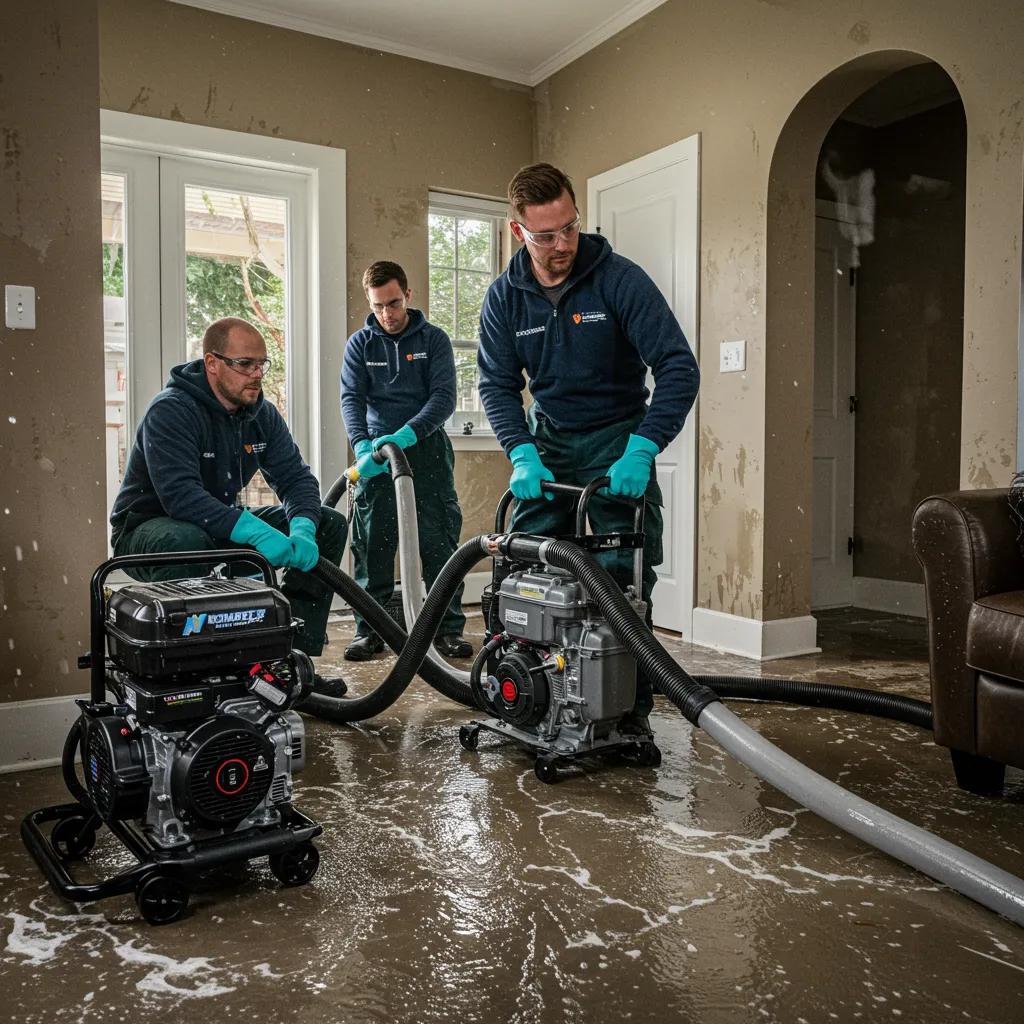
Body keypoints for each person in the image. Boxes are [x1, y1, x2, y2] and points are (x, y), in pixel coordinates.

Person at [477, 162, 700, 727]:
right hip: (548, 443)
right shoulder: (504, 299)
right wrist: (521, 451)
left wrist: (643, 447)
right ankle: (530, 699)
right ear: (518, 231)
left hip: (616, 440)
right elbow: (497, 384)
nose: (562, 244)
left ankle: (625, 715)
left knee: (622, 578)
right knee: (524, 566)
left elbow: (678, 367)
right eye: (546, 235)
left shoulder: (620, 280)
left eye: (570, 227)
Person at [109, 317, 348, 697]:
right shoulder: (171, 411)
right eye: (245, 364)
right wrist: (255, 532)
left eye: (261, 364)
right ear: (212, 363)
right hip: (148, 530)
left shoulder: (260, 415)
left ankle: (290, 663)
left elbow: (296, 478)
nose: (257, 374)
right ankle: (194, 677)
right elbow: (181, 496)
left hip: (212, 526)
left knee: (328, 523)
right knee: (187, 540)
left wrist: (302, 526)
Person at [340, 260, 472, 661]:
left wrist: (407, 434)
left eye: (393, 303)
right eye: (378, 306)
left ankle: (446, 630)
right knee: (372, 547)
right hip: (377, 458)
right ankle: (370, 632)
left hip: (426, 451)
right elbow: (351, 400)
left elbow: (443, 398)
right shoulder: (361, 345)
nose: (387, 314)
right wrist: (362, 447)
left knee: (437, 542)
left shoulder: (433, 340)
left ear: (408, 295)